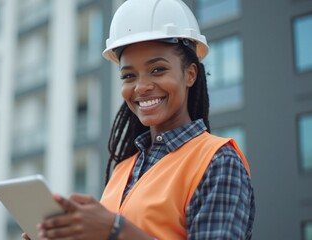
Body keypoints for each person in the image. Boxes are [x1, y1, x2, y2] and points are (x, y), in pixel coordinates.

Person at [23, 0, 255, 239]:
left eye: (157, 70)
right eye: (129, 76)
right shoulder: (123, 169)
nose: (141, 87)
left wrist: (116, 229)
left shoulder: (218, 161)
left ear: (190, 74)